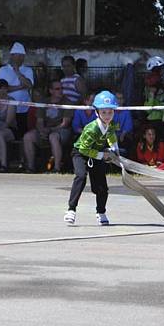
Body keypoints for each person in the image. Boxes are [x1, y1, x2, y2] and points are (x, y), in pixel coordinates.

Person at [64, 91, 121, 226]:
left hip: (97, 154)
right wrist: (103, 155)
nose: (107, 116)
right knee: (81, 176)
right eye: (104, 112)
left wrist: (115, 151)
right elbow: (84, 149)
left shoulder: (111, 125)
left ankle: (101, 212)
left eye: (110, 112)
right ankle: (71, 210)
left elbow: (111, 136)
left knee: (102, 186)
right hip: (81, 153)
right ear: (97, 112)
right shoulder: (91, 129)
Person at [23, 80, 73, 173]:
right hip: (46, 130)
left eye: (62, 88)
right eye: (57, 89)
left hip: (61, 131)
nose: (61, 91)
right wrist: (42, 130)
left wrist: (50, 130)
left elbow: (65, 123)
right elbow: (39, 121)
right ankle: (30, 167)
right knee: (28, 136)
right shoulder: (44, 102)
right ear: (51, 91)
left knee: (53, 136)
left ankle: (57, 168)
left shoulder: (67, 102)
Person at [0, 42, 34, 139]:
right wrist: (20, 86)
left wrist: (17, 72)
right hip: (7, 109)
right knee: (8, 134)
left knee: (24, 135)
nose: (20, 59)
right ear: (12, 56)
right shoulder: (3, 70)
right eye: (18, 56)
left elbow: (29, 85)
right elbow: (2, 89)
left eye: (22, 56)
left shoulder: (28, 70)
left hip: (24, 109)